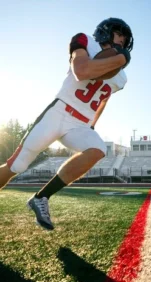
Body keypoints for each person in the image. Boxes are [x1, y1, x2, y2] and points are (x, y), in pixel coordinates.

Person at [0, 17, 134, 230]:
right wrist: (119, 60)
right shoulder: (84, 41)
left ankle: (41, 197)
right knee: (18, 164)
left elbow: (103, 99)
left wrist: (92, 123)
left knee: (98, 149)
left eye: (125, 40)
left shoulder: (121, 78)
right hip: (59, 112)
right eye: (120, 35)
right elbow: (81, 71)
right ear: (106, 31)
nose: (122, 42)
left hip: (79, 124)